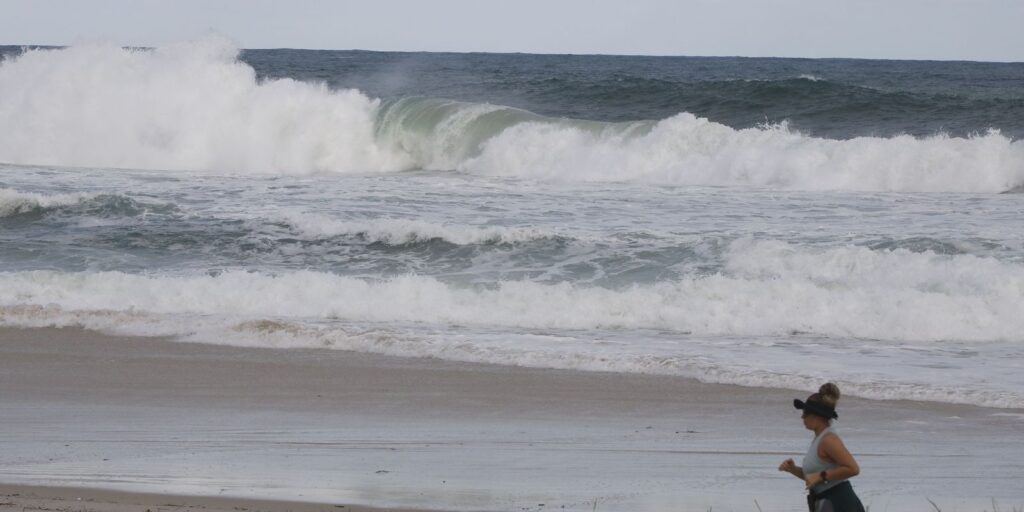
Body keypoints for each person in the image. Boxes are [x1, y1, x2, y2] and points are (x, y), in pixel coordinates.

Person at [778, 383, 865, 512]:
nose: (802, 417)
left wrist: (821, 475)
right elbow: (815, 478)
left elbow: (853, 469)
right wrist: (793, 469)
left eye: (805, 413)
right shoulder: (819, 439)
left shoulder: (829, 440)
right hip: (826, 503)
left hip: (840, 503)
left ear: (818, 415)